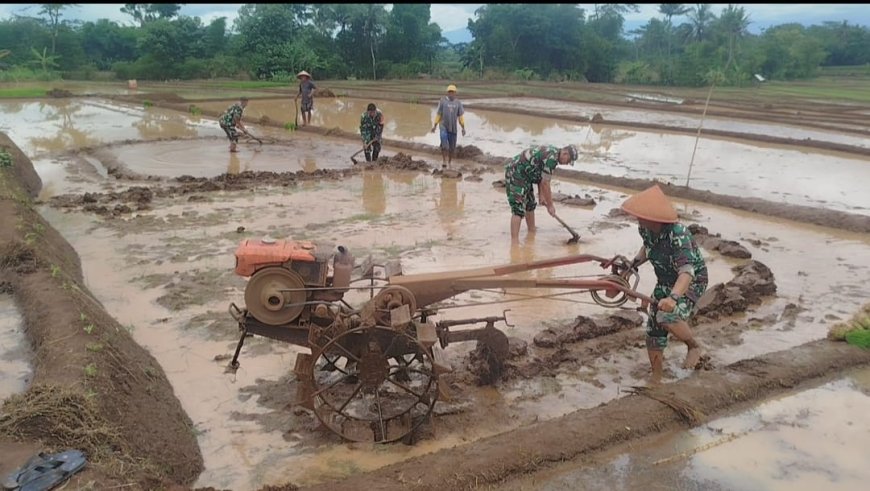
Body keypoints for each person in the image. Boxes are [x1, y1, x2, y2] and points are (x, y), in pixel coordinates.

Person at [621, 184, 708, 383]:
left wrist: (674, 297)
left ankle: (694, 346)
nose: (638, 219)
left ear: (655, 218)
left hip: (691, 281)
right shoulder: (645, 228)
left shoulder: (678, 234)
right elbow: (647, 247)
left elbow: (687, 272)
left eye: (642, 216)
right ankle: (656, 378)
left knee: (667, 315)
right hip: (665, 279)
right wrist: (632, 265)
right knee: (653, 328)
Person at [504, 144, 578, 243]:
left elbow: (541, 175)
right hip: (516, 173)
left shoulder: (554, 154)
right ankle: (514, 242)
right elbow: (545, 183)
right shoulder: (551, 159)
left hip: (526, 176)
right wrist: (550, 205)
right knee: (518, 208)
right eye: (568, 161)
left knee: (530, 204)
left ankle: (531, 231)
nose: (567, 163)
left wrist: (541, 195)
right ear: (565, 153)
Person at [430, 84, 466, 168]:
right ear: (447, 93)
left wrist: (463, 128)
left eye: (452, 92)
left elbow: (460, 117)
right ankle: (444, 161)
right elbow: (439, 114)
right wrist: (434, 126)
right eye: (449, 92)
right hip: (443, 126)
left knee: (452, 148)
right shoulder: (443, 101)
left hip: (453, 128)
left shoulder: (458, 103)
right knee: (444, 144)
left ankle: (449, 161)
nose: (451, 93)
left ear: (455, 93)